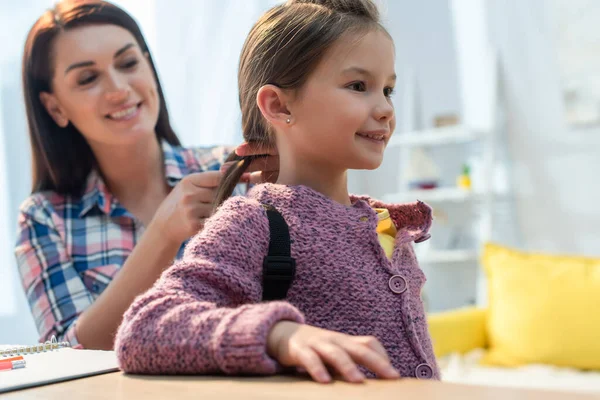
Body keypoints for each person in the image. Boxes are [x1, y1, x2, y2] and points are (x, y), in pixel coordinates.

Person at [115, 0, 438, 384]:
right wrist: (278, 334)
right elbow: (146, 327)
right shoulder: (253, 224)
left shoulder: (386, 226)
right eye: (358, 86)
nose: (385, 108)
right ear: (278, 105)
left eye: (388, 90)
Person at [14, 0, 278, 351]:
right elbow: (67, 354)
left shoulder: (237, 170)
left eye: (128, 63)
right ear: (55, 107)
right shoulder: (43, 218)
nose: (119, 88)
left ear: (149, 66)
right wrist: (162, 233)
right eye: (88, 78)